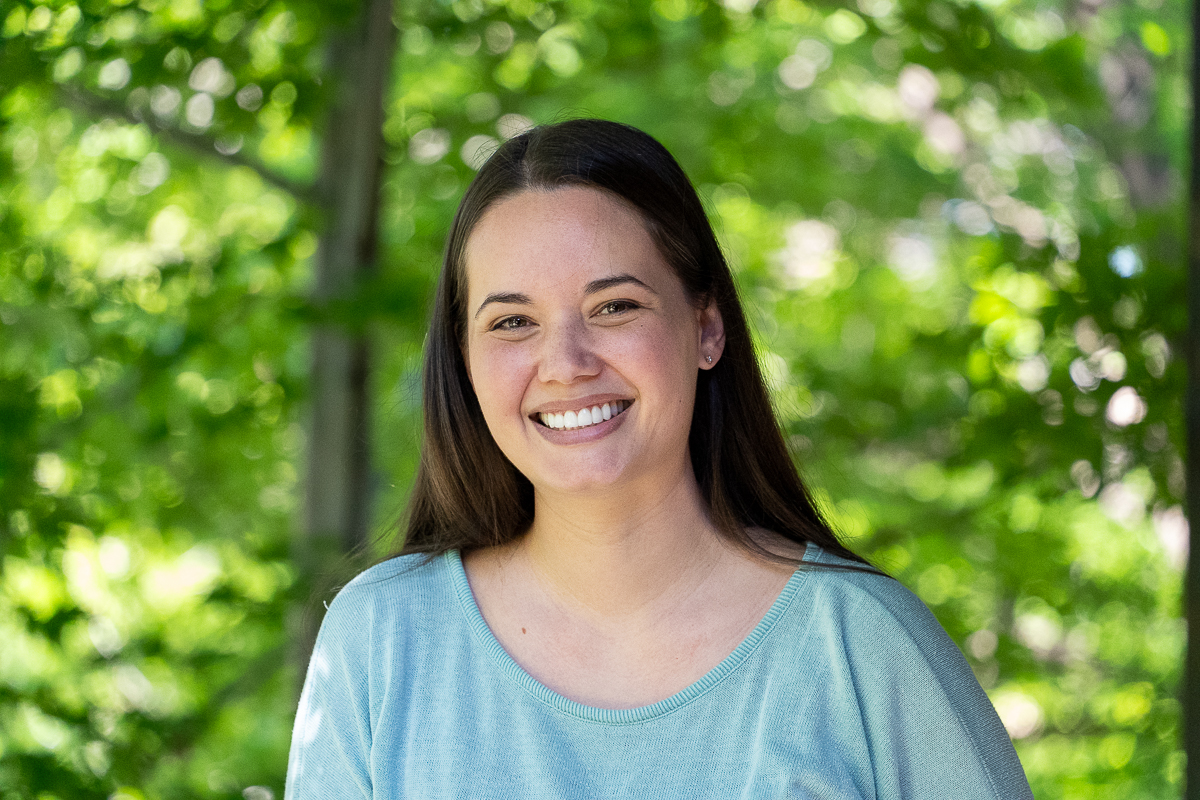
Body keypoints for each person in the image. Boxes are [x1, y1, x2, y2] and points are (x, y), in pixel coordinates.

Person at [285, 119, 1033, 798]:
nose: (565, 362)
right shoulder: (383, 641)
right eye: (513, 322)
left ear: (706, 329)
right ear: (465, 359)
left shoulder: (860, 645)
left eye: (615, 307)